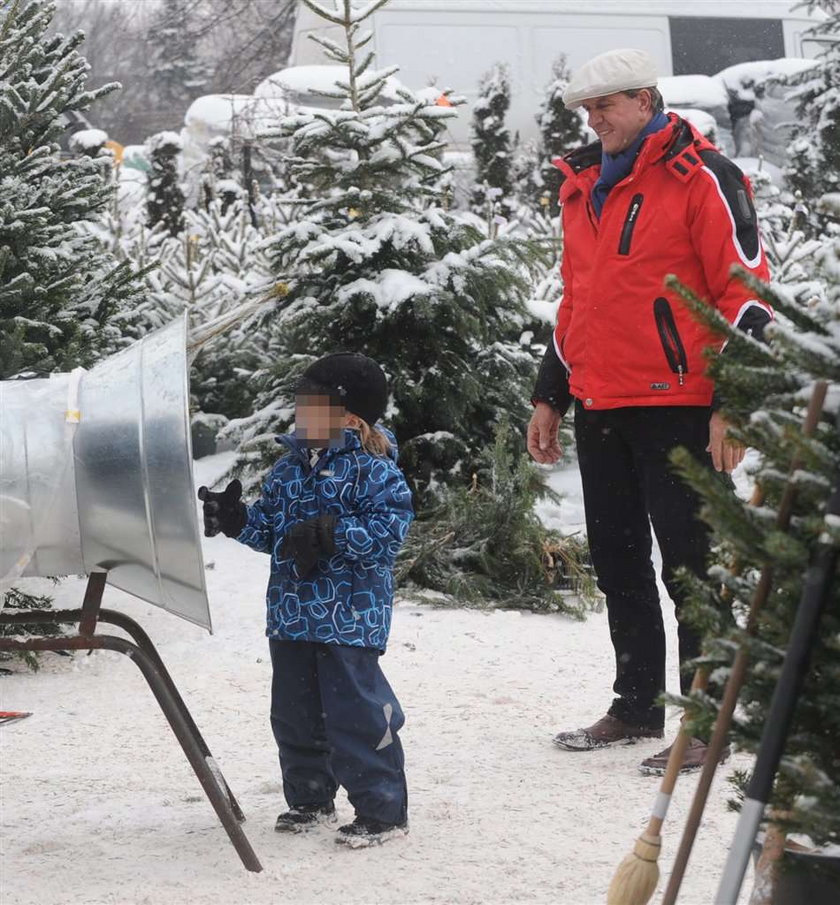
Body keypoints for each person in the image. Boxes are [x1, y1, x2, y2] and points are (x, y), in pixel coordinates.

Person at [526, 49, 772, 774]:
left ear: (645, 100)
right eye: (586, 110)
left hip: (682, 408)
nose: (594, 120)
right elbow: (581, 300)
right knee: (619, 562)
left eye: (605, 106)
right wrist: (551, 392)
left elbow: (747, 294)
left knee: (692, 568)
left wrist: (734, 401)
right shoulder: (581, 187)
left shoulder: (705, 178)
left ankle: (710, 718)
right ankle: (636, 704)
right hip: (602, 402)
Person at [199, 353, 414, 845]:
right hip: (292, 615)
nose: (299, 414)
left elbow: (389, 533)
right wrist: (236, 520)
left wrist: (332, 532)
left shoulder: (374, 471)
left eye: (311, 406)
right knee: (295, 715)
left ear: (349, 417)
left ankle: (382, 811)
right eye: (299, 404)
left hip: (349, 617)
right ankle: (310, 799)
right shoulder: (288, 470)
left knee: (355, 714)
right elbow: (270, 530)